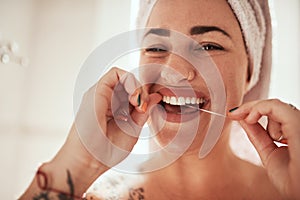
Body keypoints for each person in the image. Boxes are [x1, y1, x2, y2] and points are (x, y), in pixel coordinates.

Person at [19, 0, 300, 199]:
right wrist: (79, 165)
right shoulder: (98, 195)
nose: (174, 71)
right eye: (156, 47)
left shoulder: (291, 190)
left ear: (252, 71)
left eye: (208, 46)